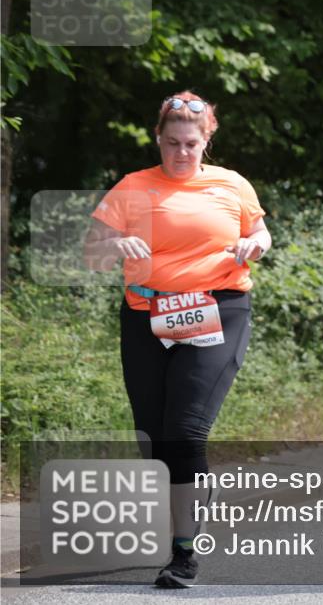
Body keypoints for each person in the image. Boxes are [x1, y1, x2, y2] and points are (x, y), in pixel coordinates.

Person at [83, 91, 271, 588]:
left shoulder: (231, 185)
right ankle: (175, 532)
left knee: (185, 430)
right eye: (171, 143)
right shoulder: (132, 187)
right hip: (147, 314)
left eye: (191, 143)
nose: (181, 153)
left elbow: (261, 232)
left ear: (207, 139)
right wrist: (113, 243)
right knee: (153, 437)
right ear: (157, 138)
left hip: (218, 309)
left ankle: (184, 551)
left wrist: (255, 243)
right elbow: (90, 254)